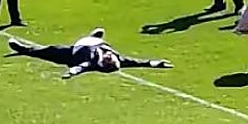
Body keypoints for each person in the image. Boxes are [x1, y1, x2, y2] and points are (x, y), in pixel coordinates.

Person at [9, 28, 171, 79]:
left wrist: (71, 73)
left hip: (73, 52)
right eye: (112, 59)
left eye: (109, 60)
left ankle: (22, 49)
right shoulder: (118, 58)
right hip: (93, 42)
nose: (110, 57)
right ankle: (93, 37)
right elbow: (137, 62)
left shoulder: (91, 61)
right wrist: (156, 63)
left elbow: (81, 67)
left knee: (48, 51)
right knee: (96, 36)